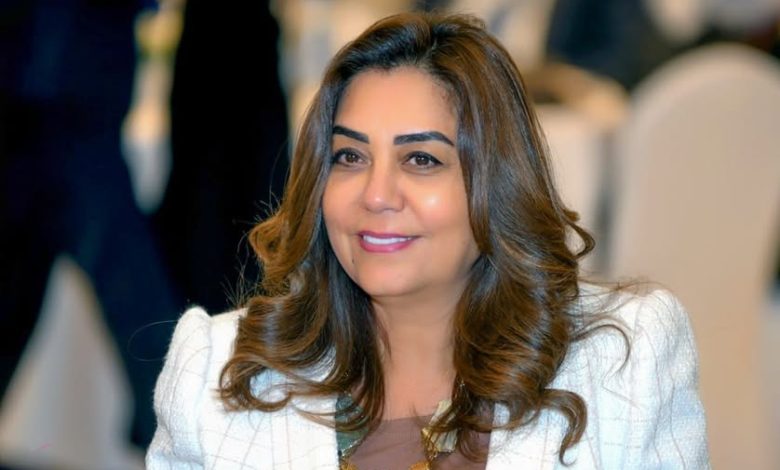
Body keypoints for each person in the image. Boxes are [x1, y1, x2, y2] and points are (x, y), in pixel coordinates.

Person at [146, 11, 709, 469]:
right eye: (350, 156)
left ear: (496, 184)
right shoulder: (218, 375)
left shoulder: (621, 364)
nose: (376, 194)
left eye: (421, 159)